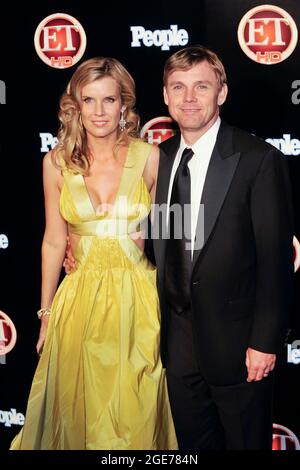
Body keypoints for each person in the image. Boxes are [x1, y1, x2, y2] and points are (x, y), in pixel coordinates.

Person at [10, 57, 177, 450]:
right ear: (76, 105)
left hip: (139, 302)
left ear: (124, 105)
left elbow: (168, 235)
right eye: (89, 100)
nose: (99, 111)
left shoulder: (150, 158)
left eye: (109, 100)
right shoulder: (55, 163)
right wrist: (46, 314)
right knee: (76, 414)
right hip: (79, 304)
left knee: (136, 416)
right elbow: (54, 240)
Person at [151, 45, 294, 450]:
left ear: (222, 93)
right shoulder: (156, 162)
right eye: (178, 87)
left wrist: (265, 341)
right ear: (165, 96)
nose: (189, 98)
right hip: (175, 345)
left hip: (239, 346)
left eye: (201, 86)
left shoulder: (258, 159)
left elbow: (275, 260)